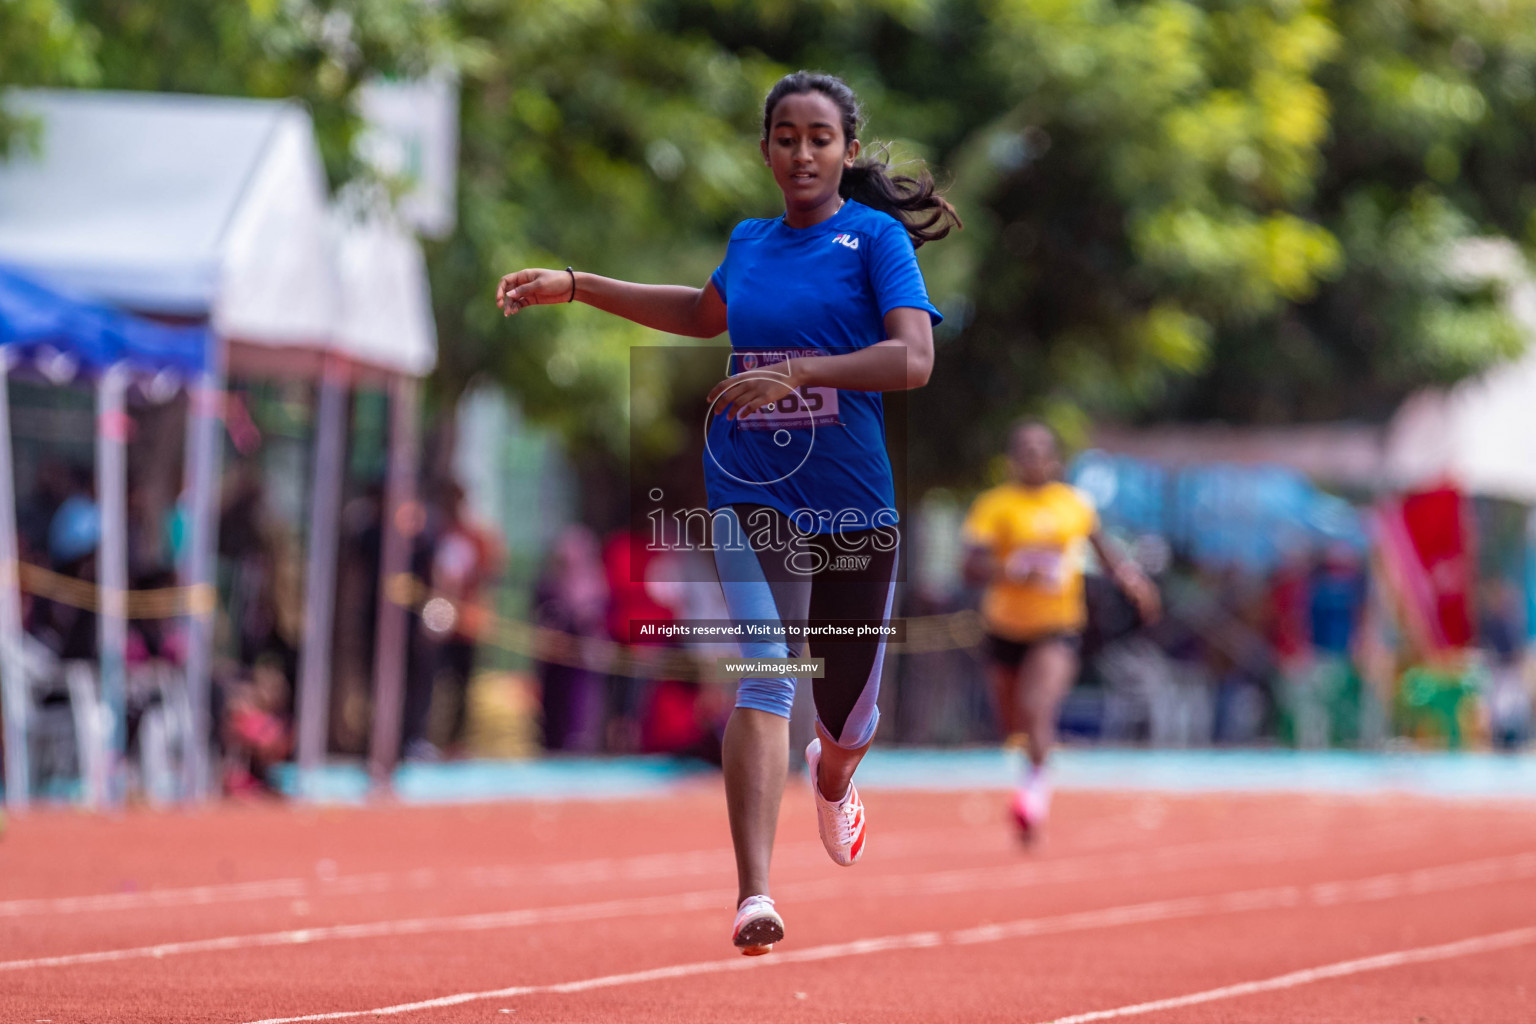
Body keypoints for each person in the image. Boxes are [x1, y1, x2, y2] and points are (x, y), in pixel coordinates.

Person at [496, 70, 959, 955]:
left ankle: (832, 780)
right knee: (765, 671)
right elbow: (704, 312)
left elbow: (914, 359)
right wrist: (577, 284)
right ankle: (755, 894)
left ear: (847, 151)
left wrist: (804, 372)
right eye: (785, 137)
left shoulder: (876, 242)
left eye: (820, 138)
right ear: (765, 150)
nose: (802, 153)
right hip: (747, 484)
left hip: (852, 499)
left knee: (846, 719)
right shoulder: (749, 242)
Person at [962, 420, 1160, 839]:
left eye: (1040, 450)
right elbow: (970, 566)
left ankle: (1032, 799)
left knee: (1038, 708)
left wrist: (1134, 582)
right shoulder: (994, 506)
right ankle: (1030, 769)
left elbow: (1106, 554)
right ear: (1012, 459)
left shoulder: (1074, 505)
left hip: (1058, 626)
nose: (1032, 458)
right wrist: (1014, 569)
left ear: (1054, 460)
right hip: (1004, 627)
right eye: (1024, 450)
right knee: (1013, 724)